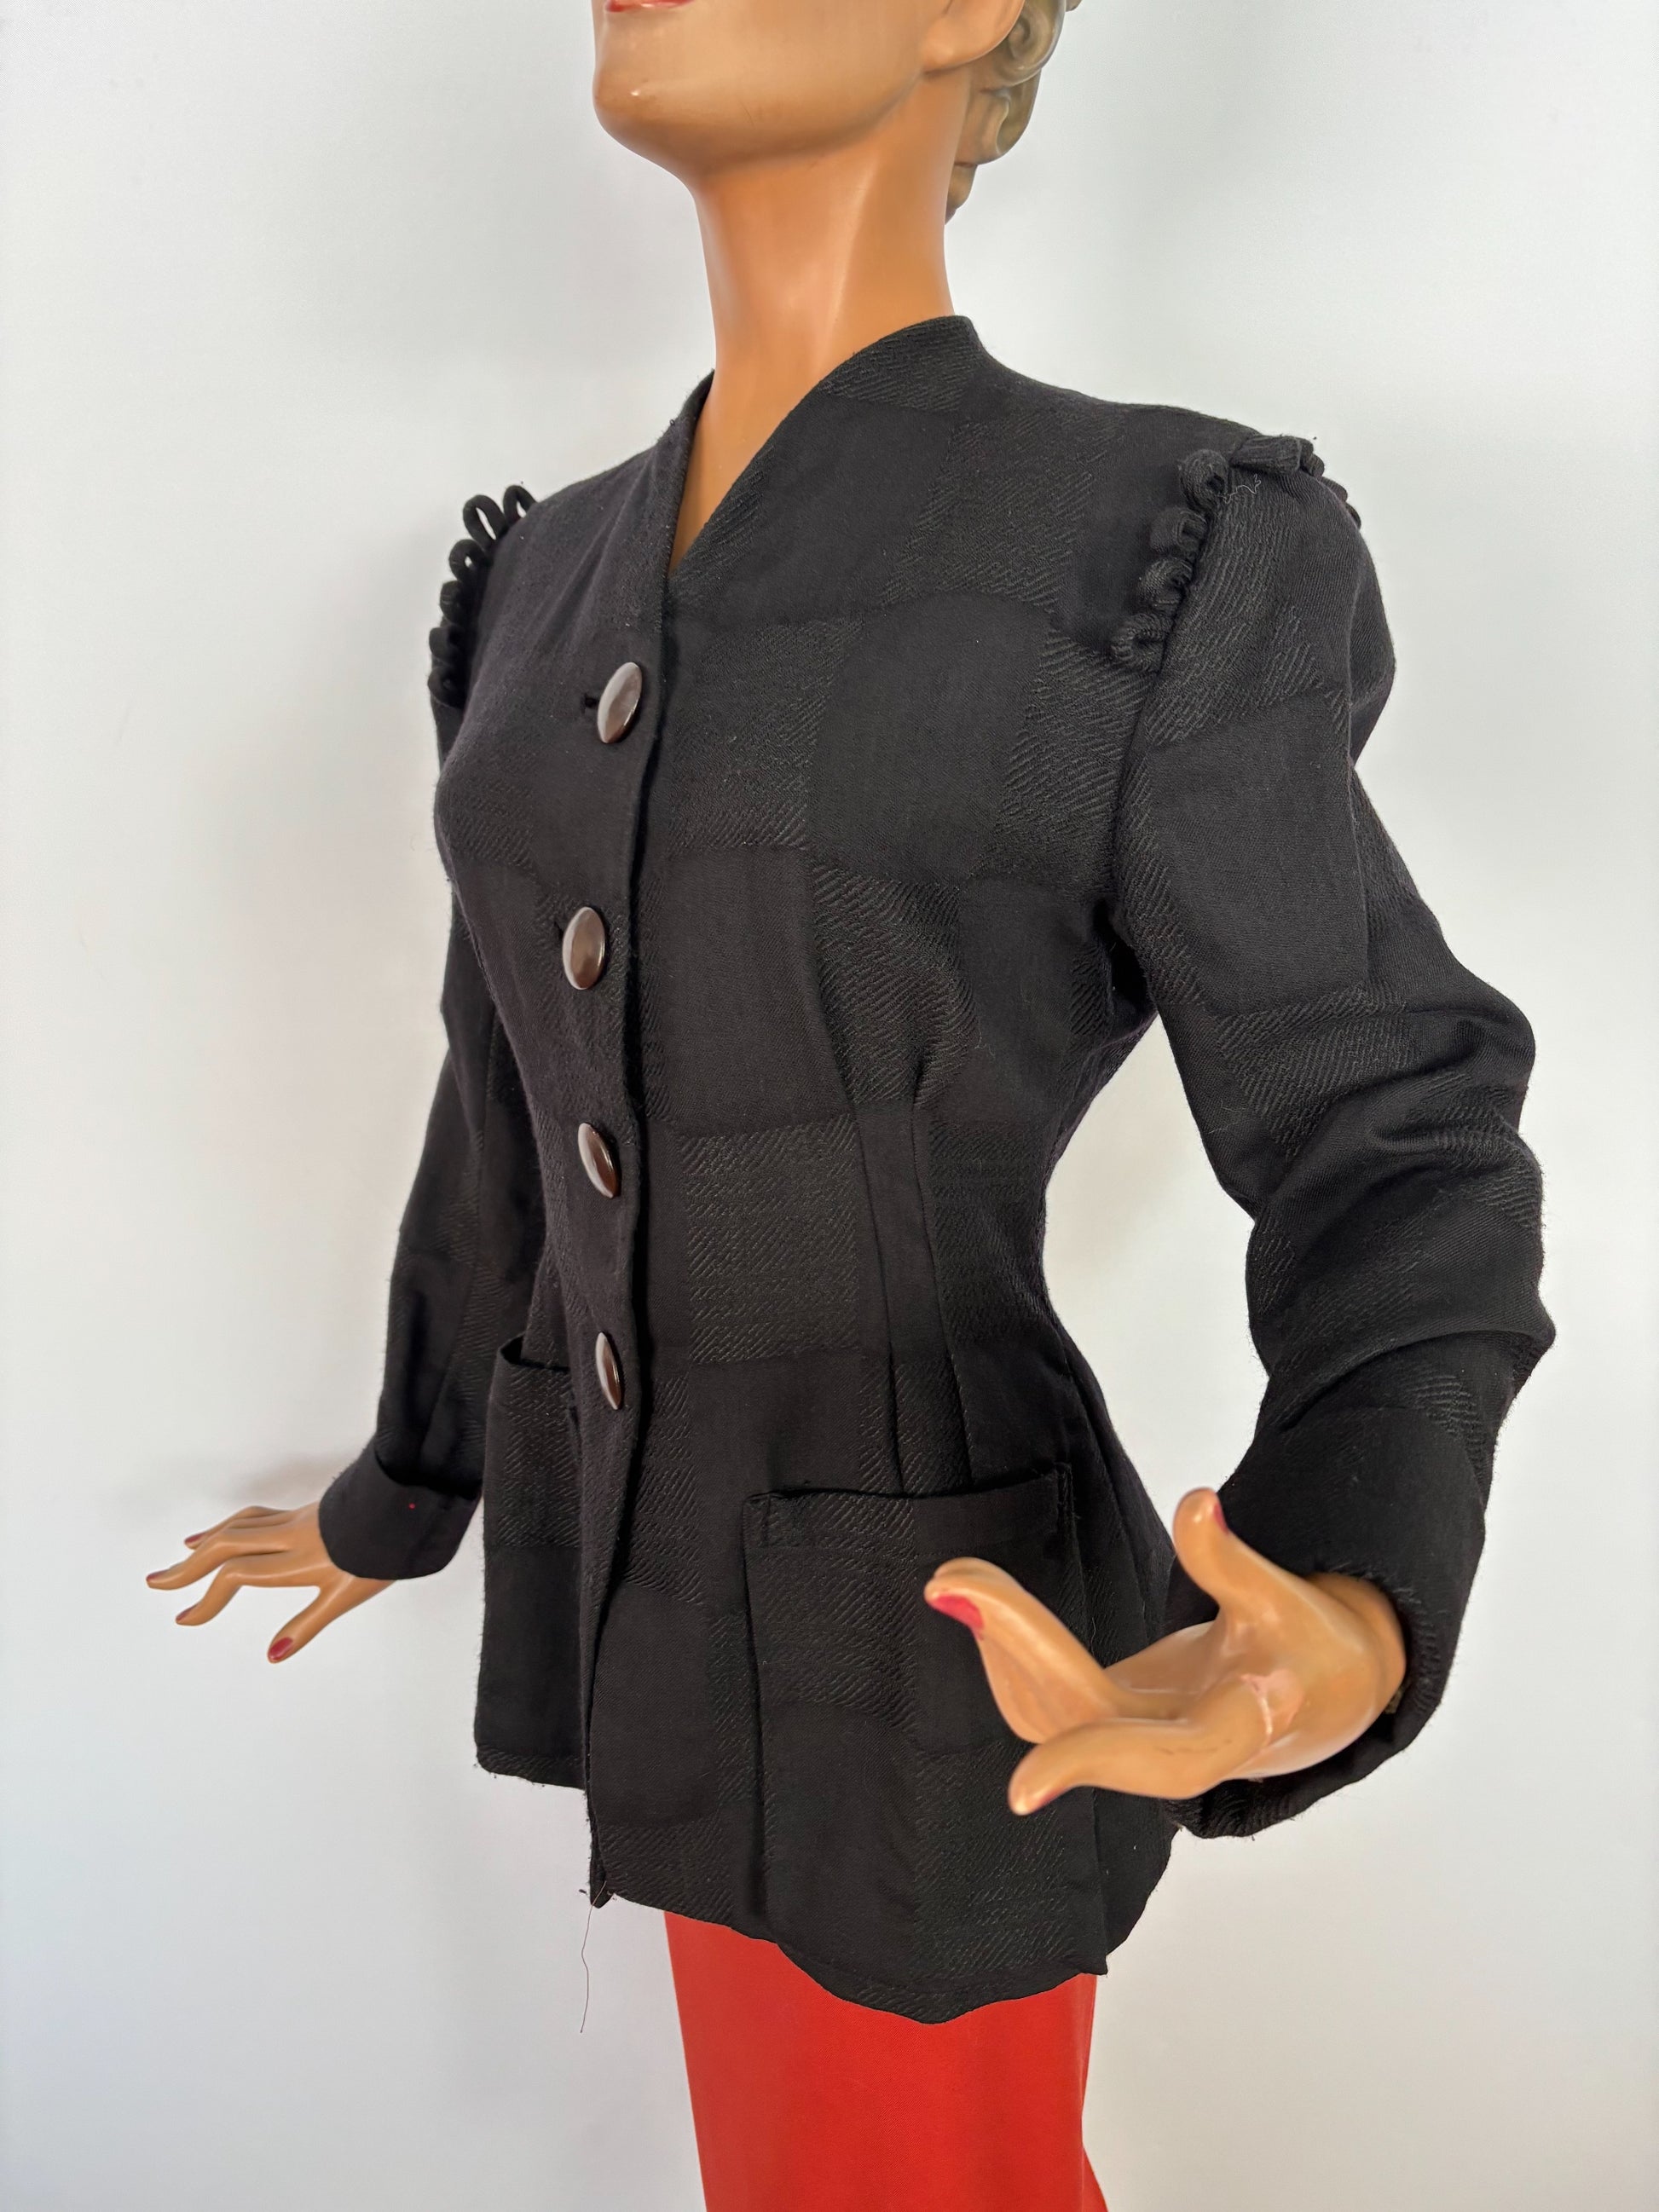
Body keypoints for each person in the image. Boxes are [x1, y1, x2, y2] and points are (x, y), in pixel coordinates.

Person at [147, 4, 1552, 2206]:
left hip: (950, 1642)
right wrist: (406, 1483)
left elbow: (1392, 1111)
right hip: (651, 1608)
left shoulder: (1146, 542)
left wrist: (1351, 1576)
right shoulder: (546, 574)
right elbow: (505, 1088)